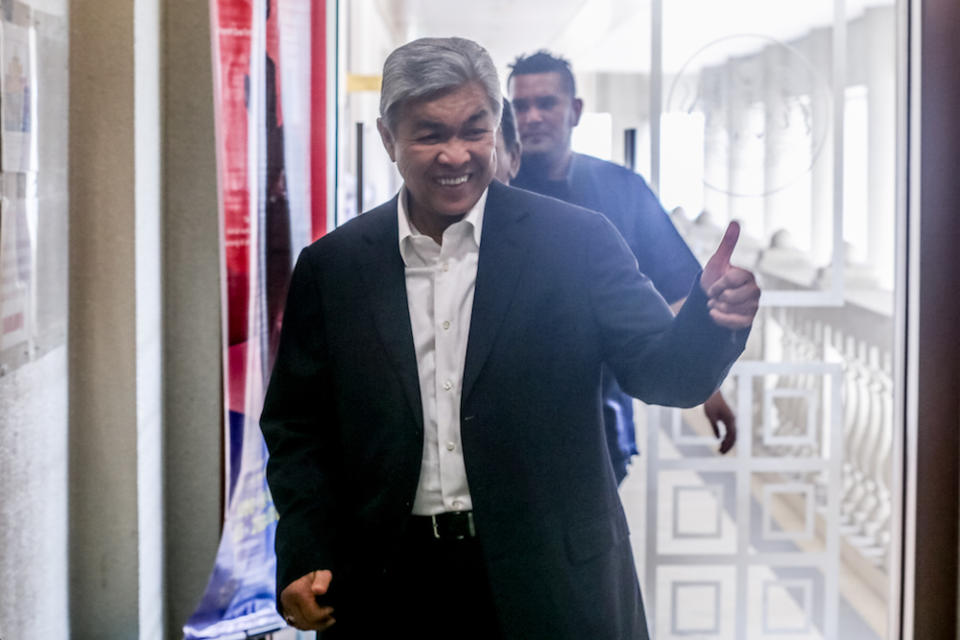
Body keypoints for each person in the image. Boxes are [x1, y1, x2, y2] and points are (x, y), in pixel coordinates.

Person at [260, 36, 760, 640]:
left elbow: (666, 373)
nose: (456, 154)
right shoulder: (334, 268)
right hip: (387, 582)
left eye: (475, 128)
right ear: (388, 139)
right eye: (429, 134)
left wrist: (711, 321)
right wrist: (304, 551)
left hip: (552, 577)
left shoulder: (576, 242)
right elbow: (298, 428)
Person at [507, 51, 738, 484]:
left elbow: (676, 288)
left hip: (600, 409)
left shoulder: (621, 189)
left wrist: (708, 385)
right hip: (506, 409)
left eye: (547, 103)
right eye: (521, 105)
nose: (532, 116)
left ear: (574, 110)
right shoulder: (491, 193)